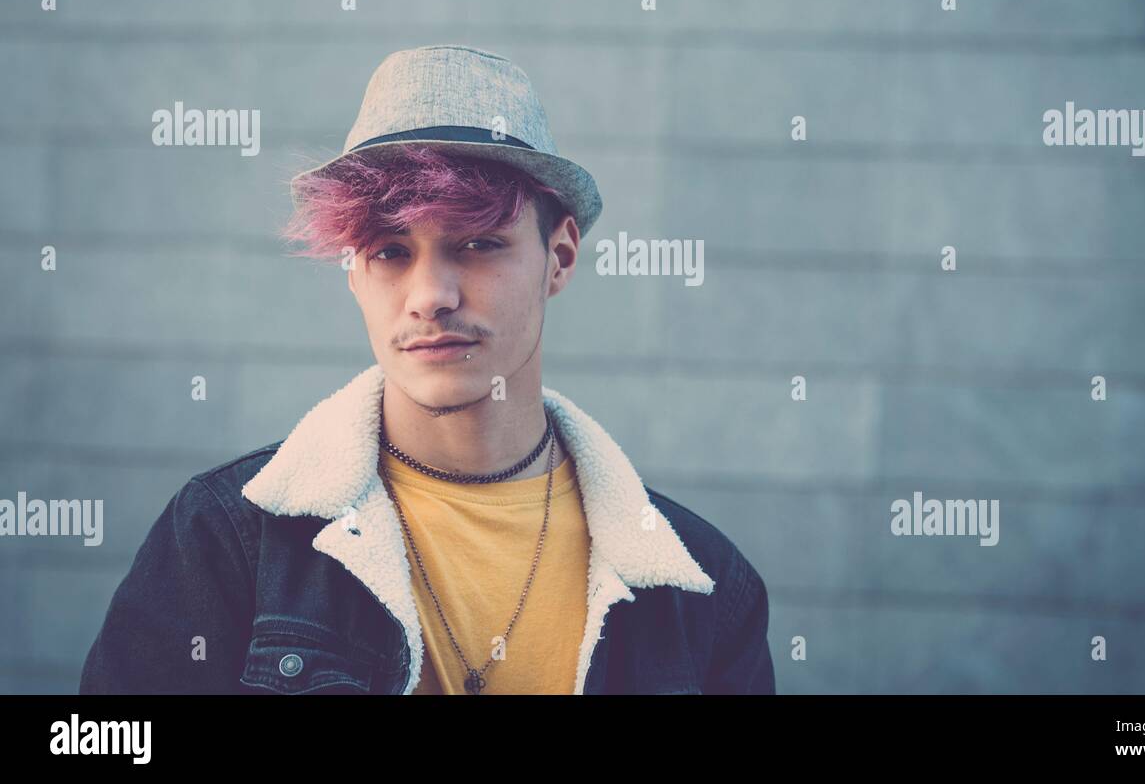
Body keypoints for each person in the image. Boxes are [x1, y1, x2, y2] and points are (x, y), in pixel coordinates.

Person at [79, 45, 775, 694]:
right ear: (353, 272)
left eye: (477, 242)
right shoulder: (227, 540)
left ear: (559, 258)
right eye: (389, 251)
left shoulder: (702, 587)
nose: (429, 296)